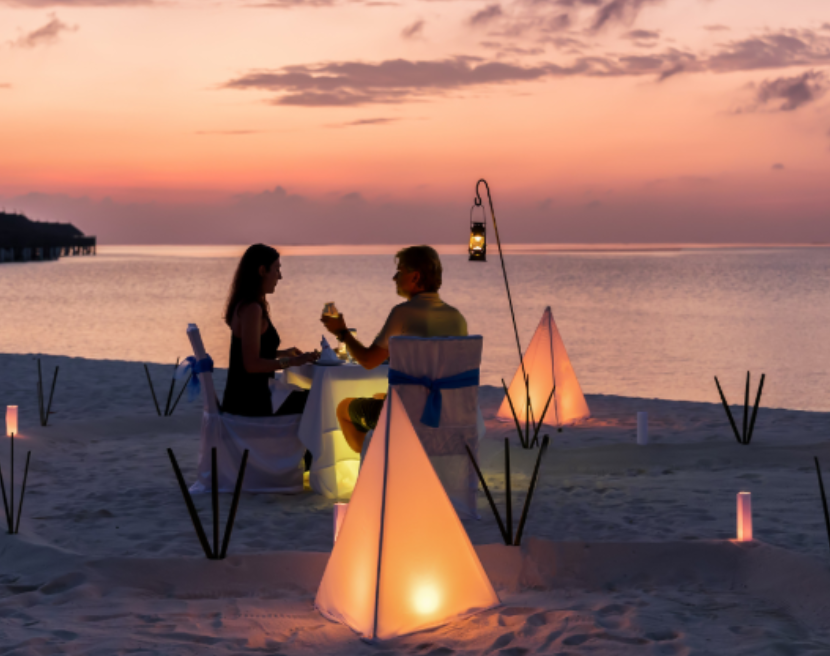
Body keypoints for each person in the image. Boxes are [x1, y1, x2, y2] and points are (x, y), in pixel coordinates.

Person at [321, 245, 467, 453]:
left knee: (344, 407)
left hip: (410, 416)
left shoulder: (403, 313)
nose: (394, 277)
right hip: (450, 411)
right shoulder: (456, 317)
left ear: (415, 277)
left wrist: (342, 332)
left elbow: (368, 361)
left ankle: (385, 461)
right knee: (379, 396)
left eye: (400, 271)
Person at [222, 244, 318, 417]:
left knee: (314, 400)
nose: (280, 276)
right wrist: (292, 361)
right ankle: (303, 445)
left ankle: (302, 444)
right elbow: (251, 365)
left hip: (244, 398)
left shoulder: (244, 304)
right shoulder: (252, 309)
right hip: (251, 403)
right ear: (262, 270)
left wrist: (282, 353)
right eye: (276, 269)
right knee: (321, 401)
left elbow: (251, 352)